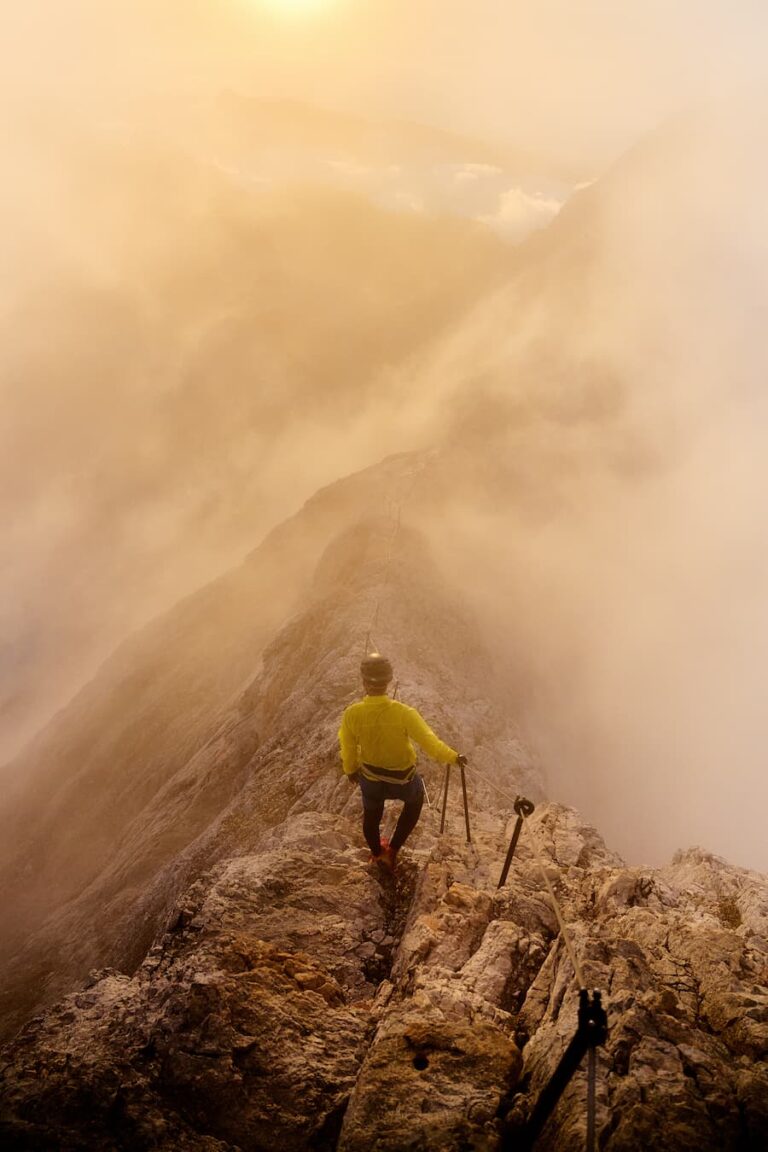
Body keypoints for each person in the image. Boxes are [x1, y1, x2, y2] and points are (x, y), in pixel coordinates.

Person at [338, 653, 467, 871]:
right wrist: (454, 758)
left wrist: (351, 770)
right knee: (415, 803)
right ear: (389, 681)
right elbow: (431, 743)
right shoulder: (405, 713)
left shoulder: (352, 714)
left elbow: (348, 748)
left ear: (363, 682)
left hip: (370, 778)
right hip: (403, 779)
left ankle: (378, 853)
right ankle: (393, 850)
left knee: (371, 817)